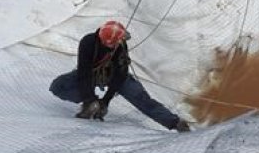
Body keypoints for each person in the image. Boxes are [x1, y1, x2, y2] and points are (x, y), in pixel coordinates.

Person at [49, 20, 190, 132]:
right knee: (58, 86)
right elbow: (84, 72)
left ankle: (175, 123)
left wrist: (106, 101)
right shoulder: (88, 42)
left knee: (142, 99)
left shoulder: (120, 46)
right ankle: (91, 104)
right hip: (91, 74)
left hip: (115, 76)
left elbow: (120, 74)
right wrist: (90, 99)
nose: (115, 44)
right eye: (112, 43)